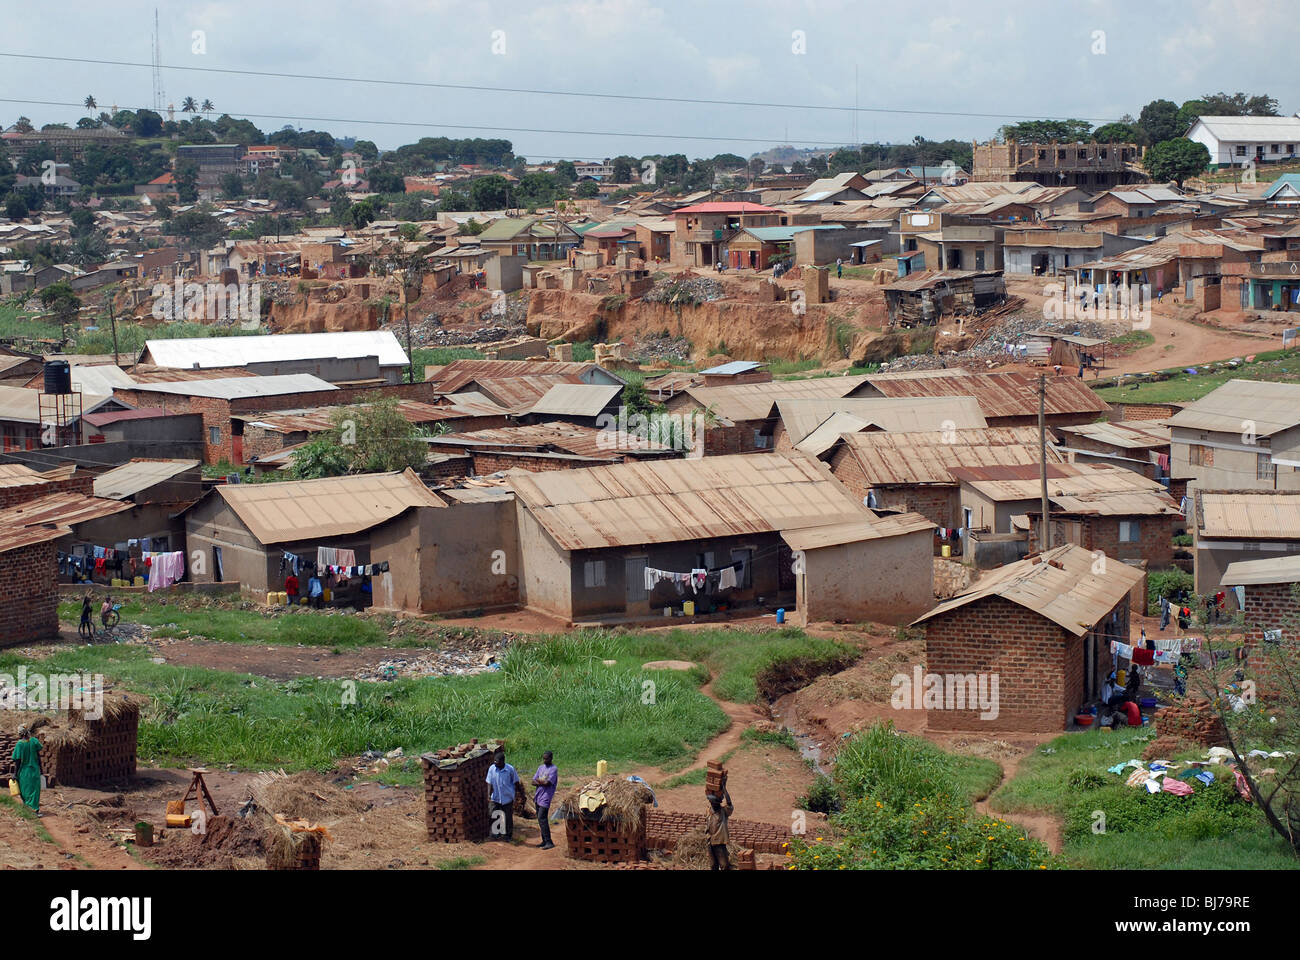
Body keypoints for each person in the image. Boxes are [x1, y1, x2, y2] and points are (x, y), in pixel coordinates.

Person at [486, 750, 524, 842]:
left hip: (507, 798)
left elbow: (516, 782)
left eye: (497, 762)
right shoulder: (492, 769)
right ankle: (496, 833)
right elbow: (489, 782)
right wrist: (488, 794)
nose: (495, 763)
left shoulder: (510, 769)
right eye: (494, 761)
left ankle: (507, 835)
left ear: (503, 761)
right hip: (495, 797)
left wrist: (520, 794)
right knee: (493, 814)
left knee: (507, 817)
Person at [10, 725, 42, 814]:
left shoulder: (20, 744)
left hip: (24, 771)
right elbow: (39, 757)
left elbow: (17, 761)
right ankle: (35, 809)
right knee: (35, 790)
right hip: (35, 770)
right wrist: (41, 770)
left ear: (20, 734)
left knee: (25, 790)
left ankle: (28, 809)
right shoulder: (34, 741)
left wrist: (15, 774)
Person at [532, 750, 558, 850]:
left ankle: (549, 841)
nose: (544, 760)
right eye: (543, 758)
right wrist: (541, 782)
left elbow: (548, 783)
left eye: (546, 758)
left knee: (542, 817)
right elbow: (533, 781)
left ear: (551, 758)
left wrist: (539, 781)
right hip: (538, 796)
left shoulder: (553, 769)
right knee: (540, 819)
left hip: (546, 796)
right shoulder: (540, 768)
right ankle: (544, 840)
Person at [705, 781, 734, 871]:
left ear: (718, 803)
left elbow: (729, 804)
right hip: (710, 843)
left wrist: (724, 789)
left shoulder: (723, 812)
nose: (713, 804)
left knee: (724, 866)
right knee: (713, 866)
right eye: (711, 802)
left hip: (720, 843)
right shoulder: (708, 811)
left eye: (714, 803)